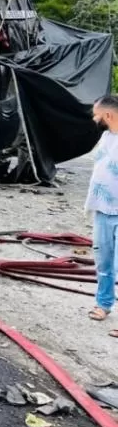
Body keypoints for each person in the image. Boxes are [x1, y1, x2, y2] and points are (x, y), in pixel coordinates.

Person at [87, 95, 118, 331]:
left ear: (108, 115)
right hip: (103, 210)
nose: (94, 118)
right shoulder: (106, 138)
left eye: (96, 114)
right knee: (104, 262)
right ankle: (103, 303)